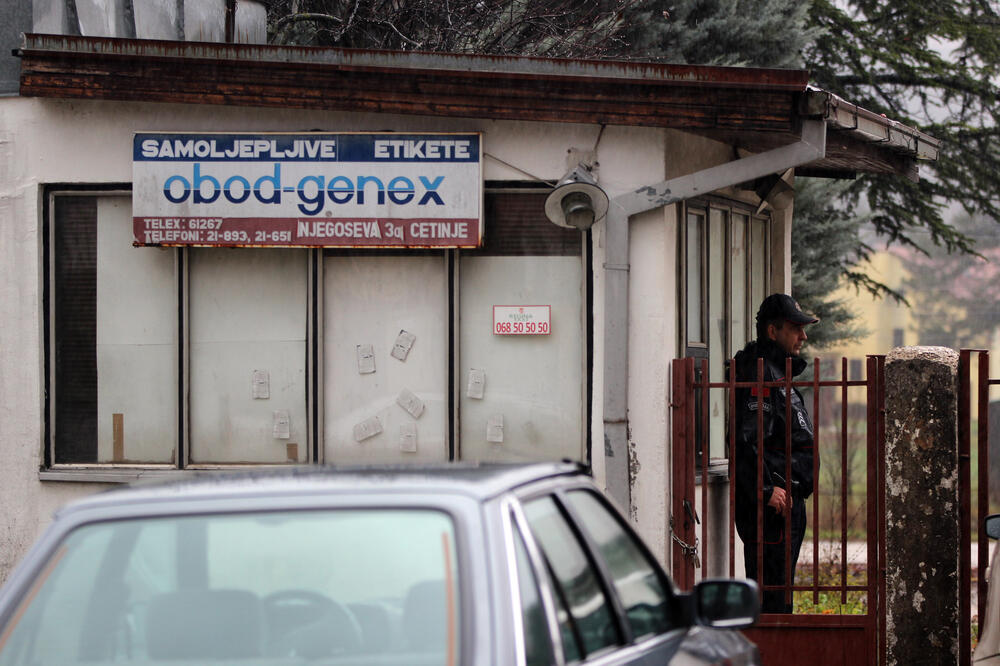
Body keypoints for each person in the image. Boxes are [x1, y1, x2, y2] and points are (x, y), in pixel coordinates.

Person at [733, 293, 819, 614]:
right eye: (795, 328)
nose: (803, 336)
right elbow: (746, 440)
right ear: (773, 331)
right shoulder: (761, 375)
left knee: (780, 597)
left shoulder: (775, 373)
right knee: (773, 604)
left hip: (784, 506)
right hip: (772, 512)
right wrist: (765, 490)